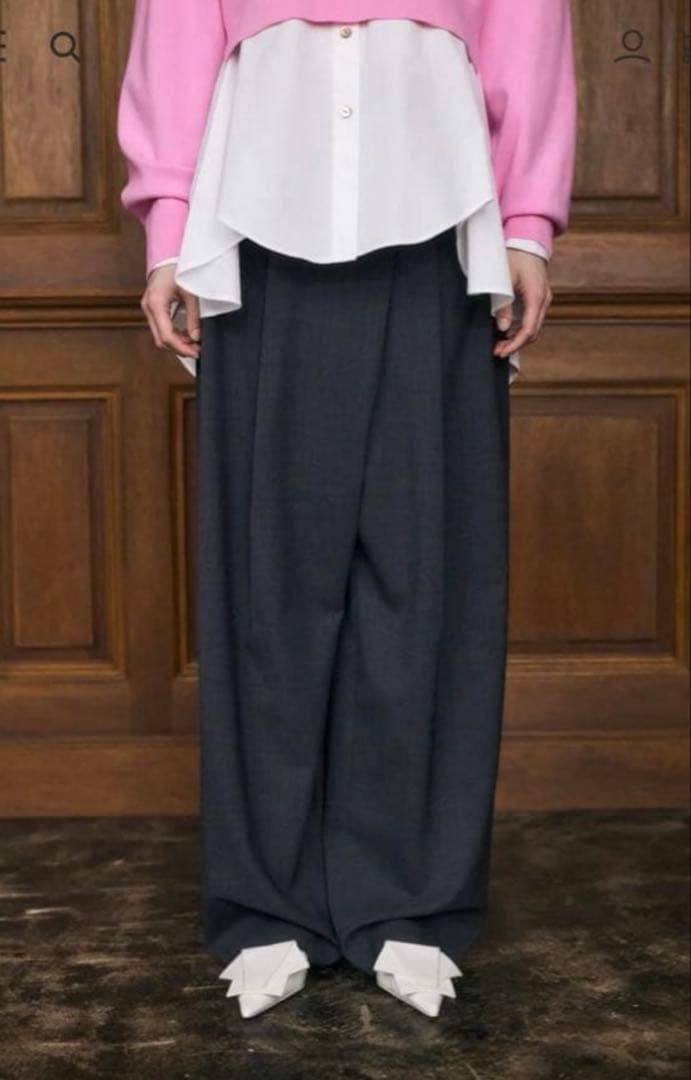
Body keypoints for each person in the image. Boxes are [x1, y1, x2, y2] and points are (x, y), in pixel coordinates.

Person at [117, 0, 577, 1021]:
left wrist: (526, 225)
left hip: (441, 228)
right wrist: (167, 230)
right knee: (268, 589)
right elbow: (176, 40)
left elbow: (528, 37)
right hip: (255, 232)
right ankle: (263, 906)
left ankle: (411, 904)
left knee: (425, 586)